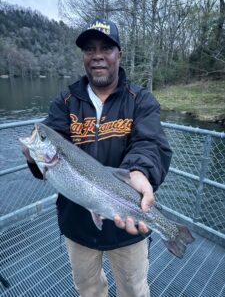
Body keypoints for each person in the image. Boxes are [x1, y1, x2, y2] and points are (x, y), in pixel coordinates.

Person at [22, 18, 172, 297]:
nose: (98, 55)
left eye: (106, 48)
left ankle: (169, 231)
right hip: (77, 226)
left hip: (129, 224)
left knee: (134, 291)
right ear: (83, 57)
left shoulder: (141, 100)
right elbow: (50, 145)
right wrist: (33, 157)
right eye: (90, 49)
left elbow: (150, 143)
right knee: (88, 290)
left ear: (119, 55)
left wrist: (138, 172)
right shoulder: (65, 102)